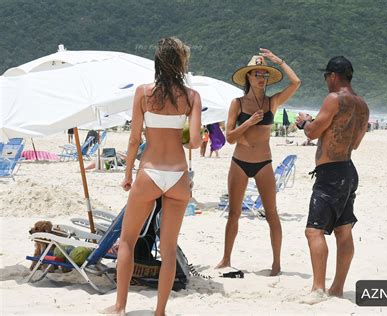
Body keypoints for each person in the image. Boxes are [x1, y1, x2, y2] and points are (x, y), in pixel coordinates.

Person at [102, 37, 202, 316]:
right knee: (168, 249)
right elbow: (194, 142)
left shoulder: (143, 93)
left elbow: (134, 139)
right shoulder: (192, 97)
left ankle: (120, 306)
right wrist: (181, 132)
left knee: (128, 241)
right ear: (181, 63)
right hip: (178, 176)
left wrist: (127, 173)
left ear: (157, 62)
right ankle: (160, 312)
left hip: (149, 172)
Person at [216, 48, 300, 276]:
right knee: (234, 213)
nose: (261, 78)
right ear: (248, 77)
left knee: (272, 213)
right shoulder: (238, 103)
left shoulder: (272, 102)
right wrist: (248, 123)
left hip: (264, 163)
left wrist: (278, 61)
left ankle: (276, 264)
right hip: (239, 163)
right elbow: (230, 138)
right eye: (257, 74)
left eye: (264, 75)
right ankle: (225, 258)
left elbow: (295, 82)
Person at [295, 56, 369, 303]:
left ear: (334, 76)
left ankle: (318, 288)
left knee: (313, 231)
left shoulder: (333, 99)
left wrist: (304, 121)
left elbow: (312, 132)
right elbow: (356, 144)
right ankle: (337, 287)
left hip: (331, 174)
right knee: (343, 230)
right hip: (349, 170)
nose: (326, 81)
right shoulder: (363, 105)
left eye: (326, 76)